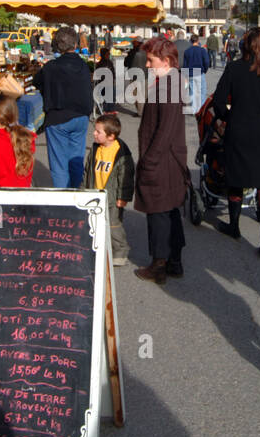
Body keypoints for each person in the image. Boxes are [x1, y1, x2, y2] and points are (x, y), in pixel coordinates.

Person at [211, 27, 260, 257]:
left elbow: (217, 101)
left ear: (245, 46)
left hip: (239, 130)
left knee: (236, 180)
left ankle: (234, 227)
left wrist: (227, 118)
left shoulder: (235, 68)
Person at [133, 36, 188, 283]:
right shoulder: (171, 81)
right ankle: (174, 261)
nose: (147, 65)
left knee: (158, 213)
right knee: (169, 211)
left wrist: (149, 161)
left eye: (150, 60)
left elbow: (164, 131)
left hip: (163, 160)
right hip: (170, 159)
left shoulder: (168, 86)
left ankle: (159, 263)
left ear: (165, 61)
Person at [32, 26, 94, 188]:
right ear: (75, 45)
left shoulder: (51, 67)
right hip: (81, 116)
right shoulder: (83, 66)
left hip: (58, 117)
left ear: (57, 46)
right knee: (76, 159)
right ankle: (76, 192)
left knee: (59, 163)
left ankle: (64, 200)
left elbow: (36, 81)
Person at [82, 112, 135, 267]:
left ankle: (120, 251)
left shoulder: (121, 154)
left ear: (111, 136)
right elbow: (88, 170)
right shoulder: (96, 149)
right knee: (94, 222)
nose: (94, 133)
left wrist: (123, 197)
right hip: (94, 194)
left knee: (113, 225)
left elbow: (126, 177)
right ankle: (98, 247)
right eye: (95, 130)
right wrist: (83, 188)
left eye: (98, 132)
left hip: (112, 198)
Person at [182, 34, 211, 116]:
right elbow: (206, 62)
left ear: (191, 41)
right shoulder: (202, 50)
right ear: (198, 41)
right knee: (202, 91)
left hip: (190, 73)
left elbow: (185, 65)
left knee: (192, 91)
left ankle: (193, 108)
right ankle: (200, 109)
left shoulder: (187, 51)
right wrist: (205, 70)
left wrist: (185, 76)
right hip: (199, 72)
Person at [125, 37, 148, 115]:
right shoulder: (147, 52)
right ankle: (143, 111)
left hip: (134, 76)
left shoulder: (132, 52)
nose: (132, 44)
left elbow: (126, 63)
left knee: (136, 94)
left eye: (134, 42)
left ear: (137, 43)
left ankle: (140, 112)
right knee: (143, 94)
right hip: (145, 75)